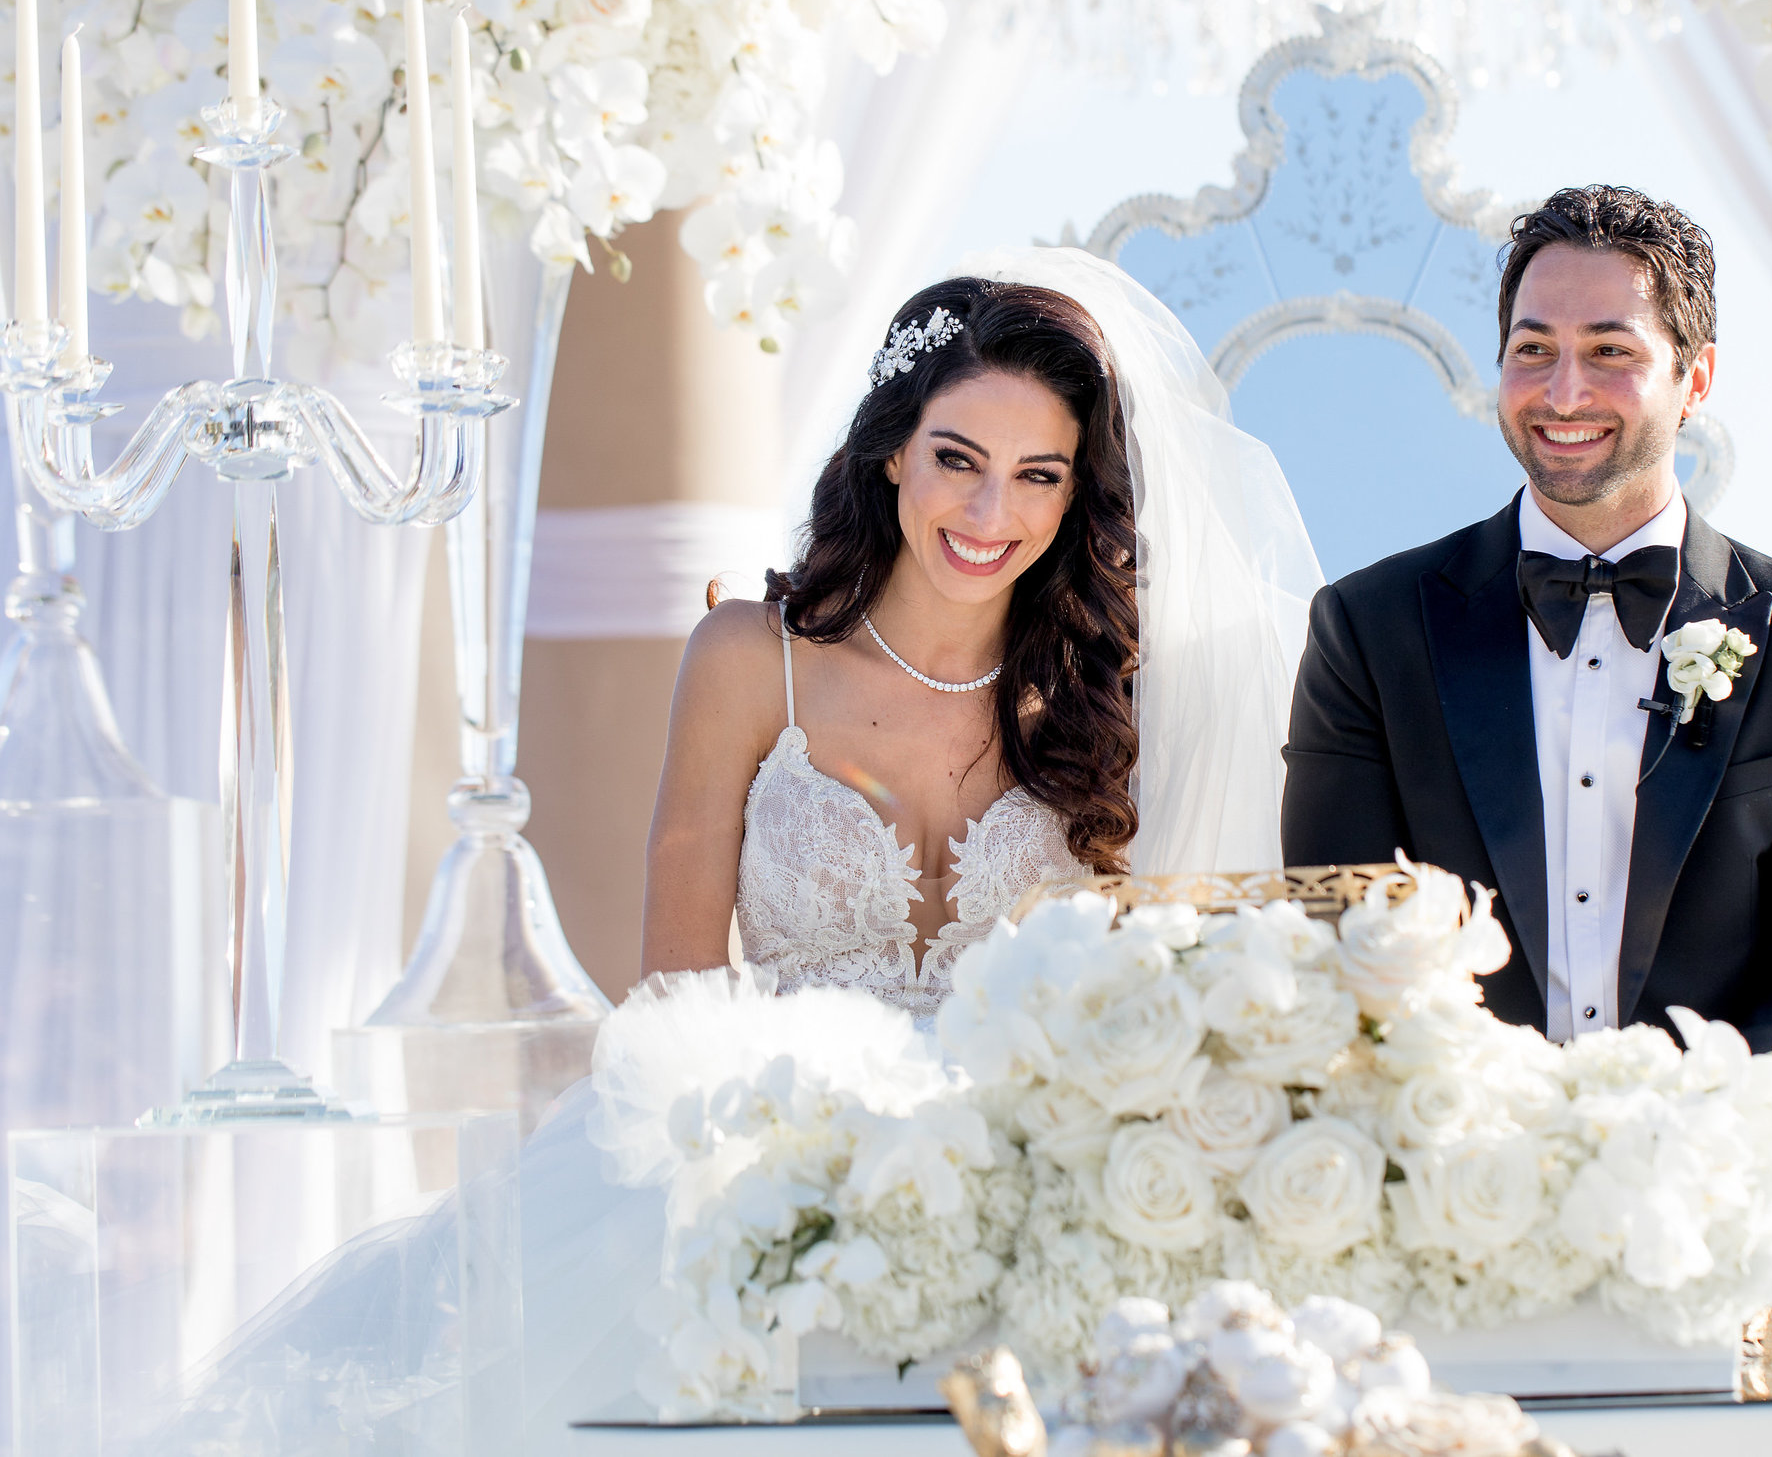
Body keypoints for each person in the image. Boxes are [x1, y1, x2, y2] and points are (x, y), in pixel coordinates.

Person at [175, 248, 1322, 1454]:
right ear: (891, 448)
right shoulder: (746, 657)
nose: (991, 516)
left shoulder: (1107, 697)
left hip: (1027, 1192)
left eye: (1037, 475)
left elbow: (1139, 994)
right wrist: (768, 1184)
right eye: (958, 460)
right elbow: (676, 985)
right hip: (758, 1167)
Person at [1278, 185, 1772, 1086]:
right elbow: (1340, 940)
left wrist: (1674, 1149)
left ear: (1696, 381)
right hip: (1457, 1174)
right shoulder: (1367, 633)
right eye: (1534, 350)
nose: (1563, 391)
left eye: (1610, 350)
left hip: (1723, 1174)